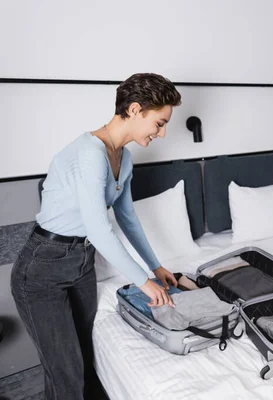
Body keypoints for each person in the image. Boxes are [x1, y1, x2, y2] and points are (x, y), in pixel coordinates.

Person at [10, 73, 182, 399]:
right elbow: (99, 229)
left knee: (82, 366)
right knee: (66, 374)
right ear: (134, 110)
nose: (162, 133)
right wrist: (143, 280)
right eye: (159, 123)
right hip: (43, 267)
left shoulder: (126, 158)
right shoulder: (90, 152)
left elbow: (128, 220)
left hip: (82, 265)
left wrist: (156, 267)